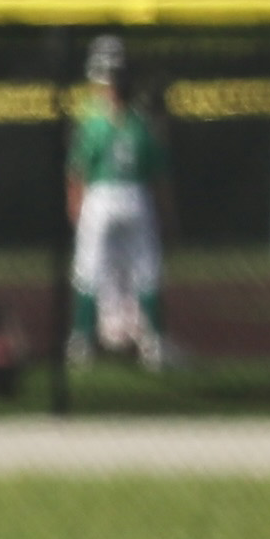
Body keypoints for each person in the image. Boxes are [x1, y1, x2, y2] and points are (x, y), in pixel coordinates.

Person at [66, 33, 175, 370]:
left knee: (88, 269)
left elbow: (77, 171)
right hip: (136, 196)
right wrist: (166, 214)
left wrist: (75, 207)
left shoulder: (93, 122)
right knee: (146, 270)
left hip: (100, 196)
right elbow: (159, 178)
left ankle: (81, 342)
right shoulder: (143, 124)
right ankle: (154, 344)